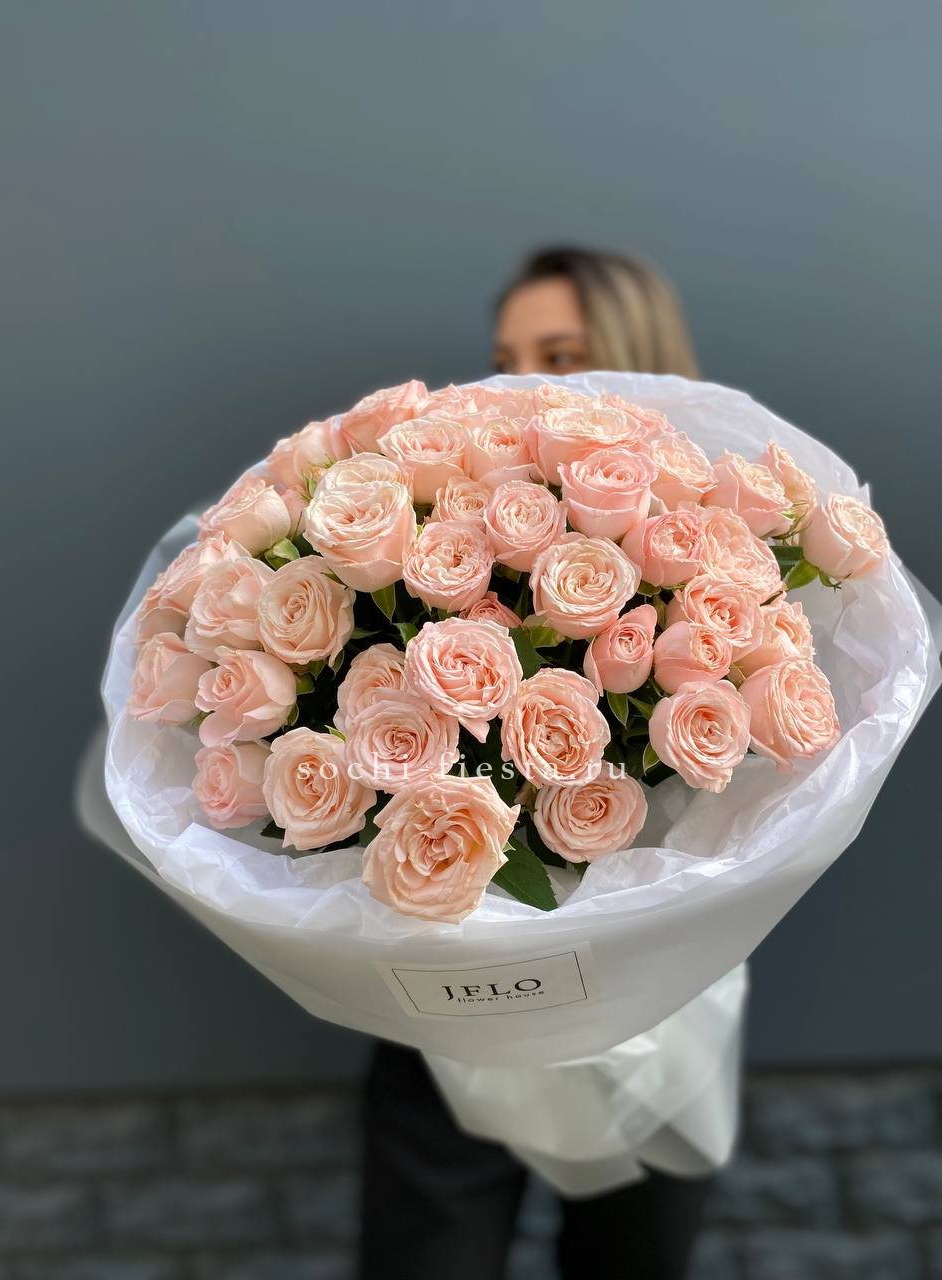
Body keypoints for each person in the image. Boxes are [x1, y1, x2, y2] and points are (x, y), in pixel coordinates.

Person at [359, 247, 713, 1280]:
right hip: (450, 1001)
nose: (522, 383)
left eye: (560, 354)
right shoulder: (450, 528)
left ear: (636, 357)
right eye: (506, 356)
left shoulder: (713, 538)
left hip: (655, 1010)